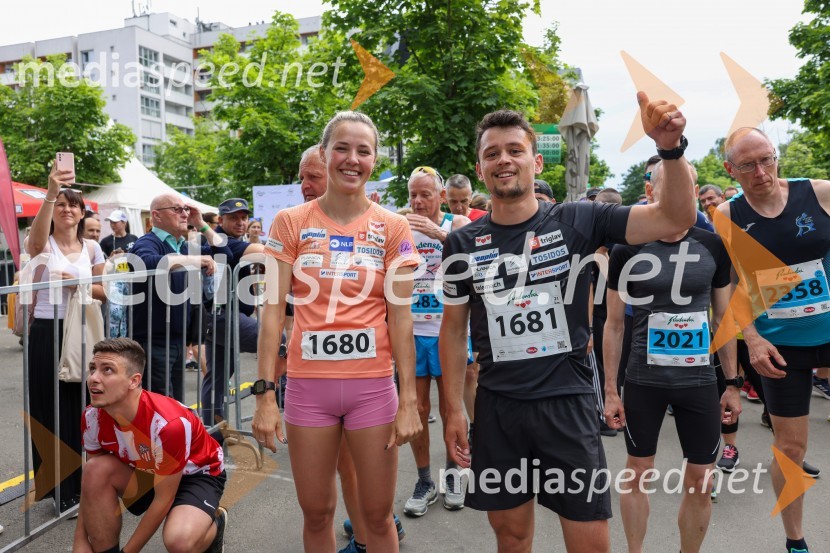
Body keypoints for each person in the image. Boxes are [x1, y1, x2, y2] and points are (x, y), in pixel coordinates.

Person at [440, 93, 697, 552]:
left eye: (515, 150)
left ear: (536, 162)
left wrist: (671, 149)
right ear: (480, 169)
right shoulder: (461, 242)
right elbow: (454, 330)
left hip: (567, 405)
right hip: (498, 410)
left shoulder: (578, 218)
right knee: (512, 536)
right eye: (492, 153)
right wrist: (454, 410)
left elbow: (674, 215)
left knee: (588, 541)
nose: (504, 160)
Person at [253, 111, 421, 552]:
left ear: (374, 159)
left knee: (377, 516)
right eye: (342, 149)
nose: (352, 159)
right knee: (317, 514)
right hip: (309, 390)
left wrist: (409, 400)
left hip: (372, 389)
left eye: (363, 151)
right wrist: (266, 395)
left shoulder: (393, 226)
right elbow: (272, 312)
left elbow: (401, 318)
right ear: (324, 155)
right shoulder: (290, 223)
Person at [602, 160, 739, 553]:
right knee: (638, 472)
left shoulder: (712, 244)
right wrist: (611, 390)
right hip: (644, 380)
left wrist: (731, 383)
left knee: (700, 477)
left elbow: (723, 319)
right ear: (650, 194)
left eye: (687, 187)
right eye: (669, 187)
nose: (681, 195)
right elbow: (614, 324)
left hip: (698, 382)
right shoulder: (627, 248)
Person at [713, 127, 830, 553]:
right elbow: (726, 287)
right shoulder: (727, 215)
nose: (761, 171)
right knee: (791, 446)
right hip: (782, 346)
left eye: (767, 159)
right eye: (748, 165)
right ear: (731, 169)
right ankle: (795, 538)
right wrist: (752, 338)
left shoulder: (817, 193)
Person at [73, 338, 227, 553]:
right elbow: (90, 486)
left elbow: (164, 499)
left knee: (179, 541)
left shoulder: (168, 425)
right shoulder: (92, 417)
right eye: (92, 369)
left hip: (195, 476)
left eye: (107, 370)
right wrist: (80, 540)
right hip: (146, 471)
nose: (93, 378)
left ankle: (215, 525)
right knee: (95, 469)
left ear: (134, 381)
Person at [24, 163, 105, 512]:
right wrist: (51, 191)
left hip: (81, 335)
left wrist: (76, 283)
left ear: (83, 212)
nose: (67, 209)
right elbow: (35, 244)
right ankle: (58, 490)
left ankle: (77, 486)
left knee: (77, 409)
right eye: (62, 204)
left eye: (74, 204)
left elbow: (103, 291)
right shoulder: (43, 244)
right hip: (46, 331)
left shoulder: (91, 249)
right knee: (46, 408)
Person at [403, 166, 470, 517]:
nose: (417, 201)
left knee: (450, 409)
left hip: (448, 332)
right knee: (418, 410)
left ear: (441, 196)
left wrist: (439, 235)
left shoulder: (455, 225)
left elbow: (472, 257)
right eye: (413, 194)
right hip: (412, 331)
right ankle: (425, 479)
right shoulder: (401, 226)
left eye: (425, 194)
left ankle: (455, 475)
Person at [130, 194, 227, 402]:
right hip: (152, 340)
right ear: (156, 216)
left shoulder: (182, 246)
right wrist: (194, 259)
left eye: (185, 209)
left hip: (177, 339)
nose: (184, 214)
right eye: (177, 209)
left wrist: (200, 223)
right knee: (160, 405)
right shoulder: (147, 242)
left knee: (174, 403)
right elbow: (147, 262)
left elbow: (224, 253)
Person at [200, 198, 264, 427]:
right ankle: (276, 397)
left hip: (223, 316)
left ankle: (214, 433)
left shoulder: (231, 239)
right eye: (234, 218)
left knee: (216, 379)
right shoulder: (225, 241)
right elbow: (263, 251)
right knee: (280, 342)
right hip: (223, 316)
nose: (241, 222)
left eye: (244, 217)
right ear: (221, 219)